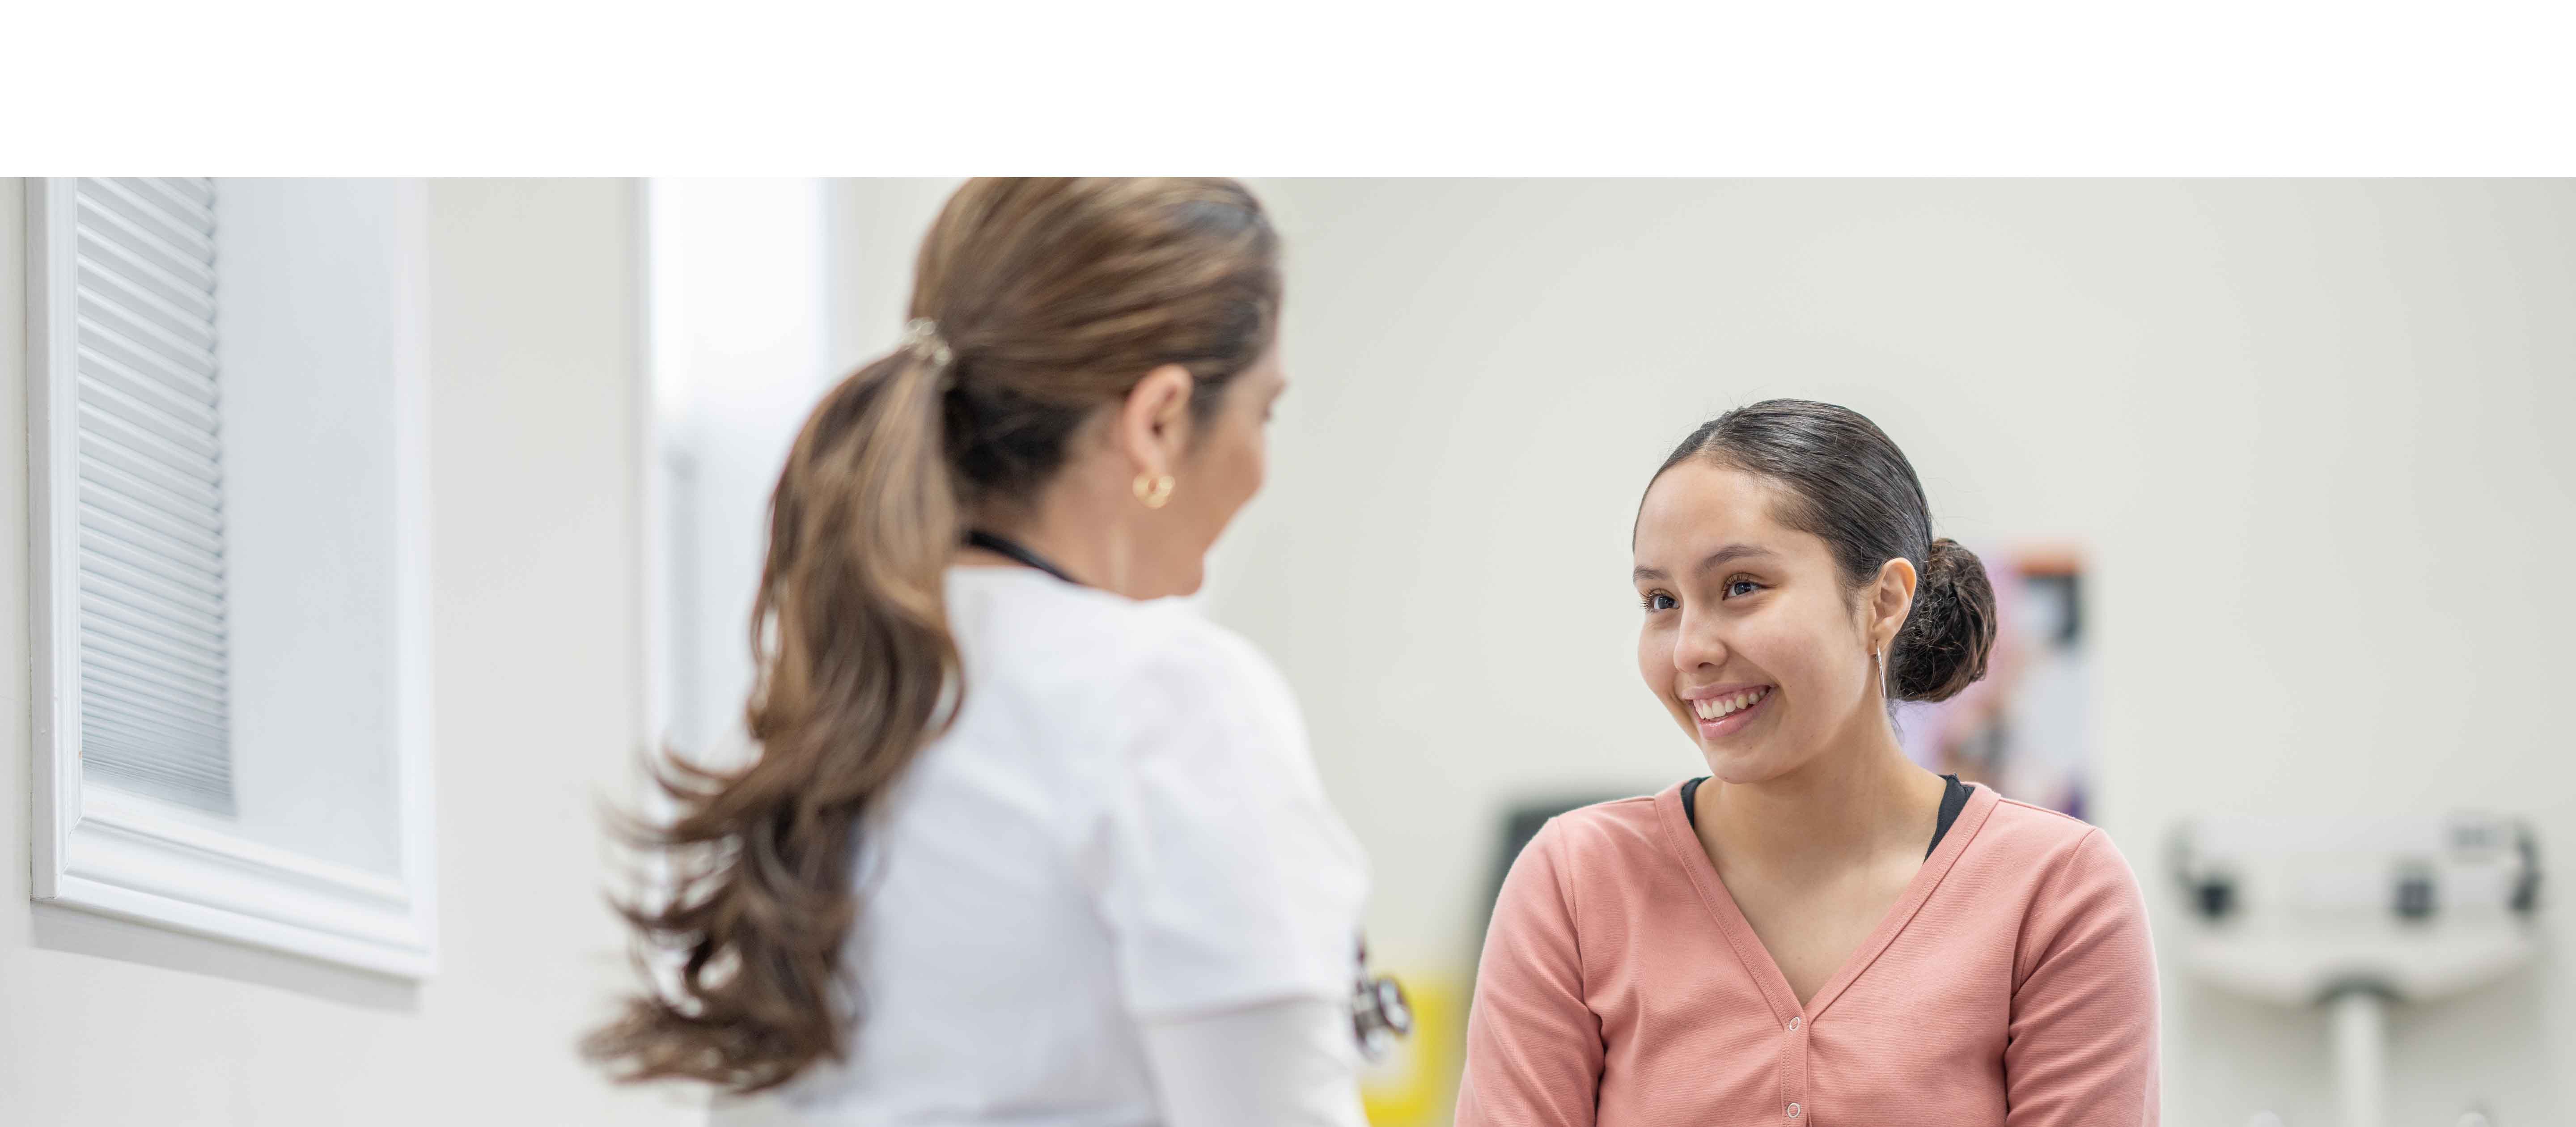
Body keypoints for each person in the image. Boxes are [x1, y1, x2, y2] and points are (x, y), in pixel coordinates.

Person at [588, 178, 1372, 1127]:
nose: (1261, 465)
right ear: (1159, 422)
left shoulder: (834, 703)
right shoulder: (1170, 701)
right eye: (1264, 413)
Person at [1455, 400, 2158, 1125]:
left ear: (1883, 603)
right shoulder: (1576, 884)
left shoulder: (2057, 891)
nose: (1690, 649)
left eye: (1741, 586)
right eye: (1660, 600)